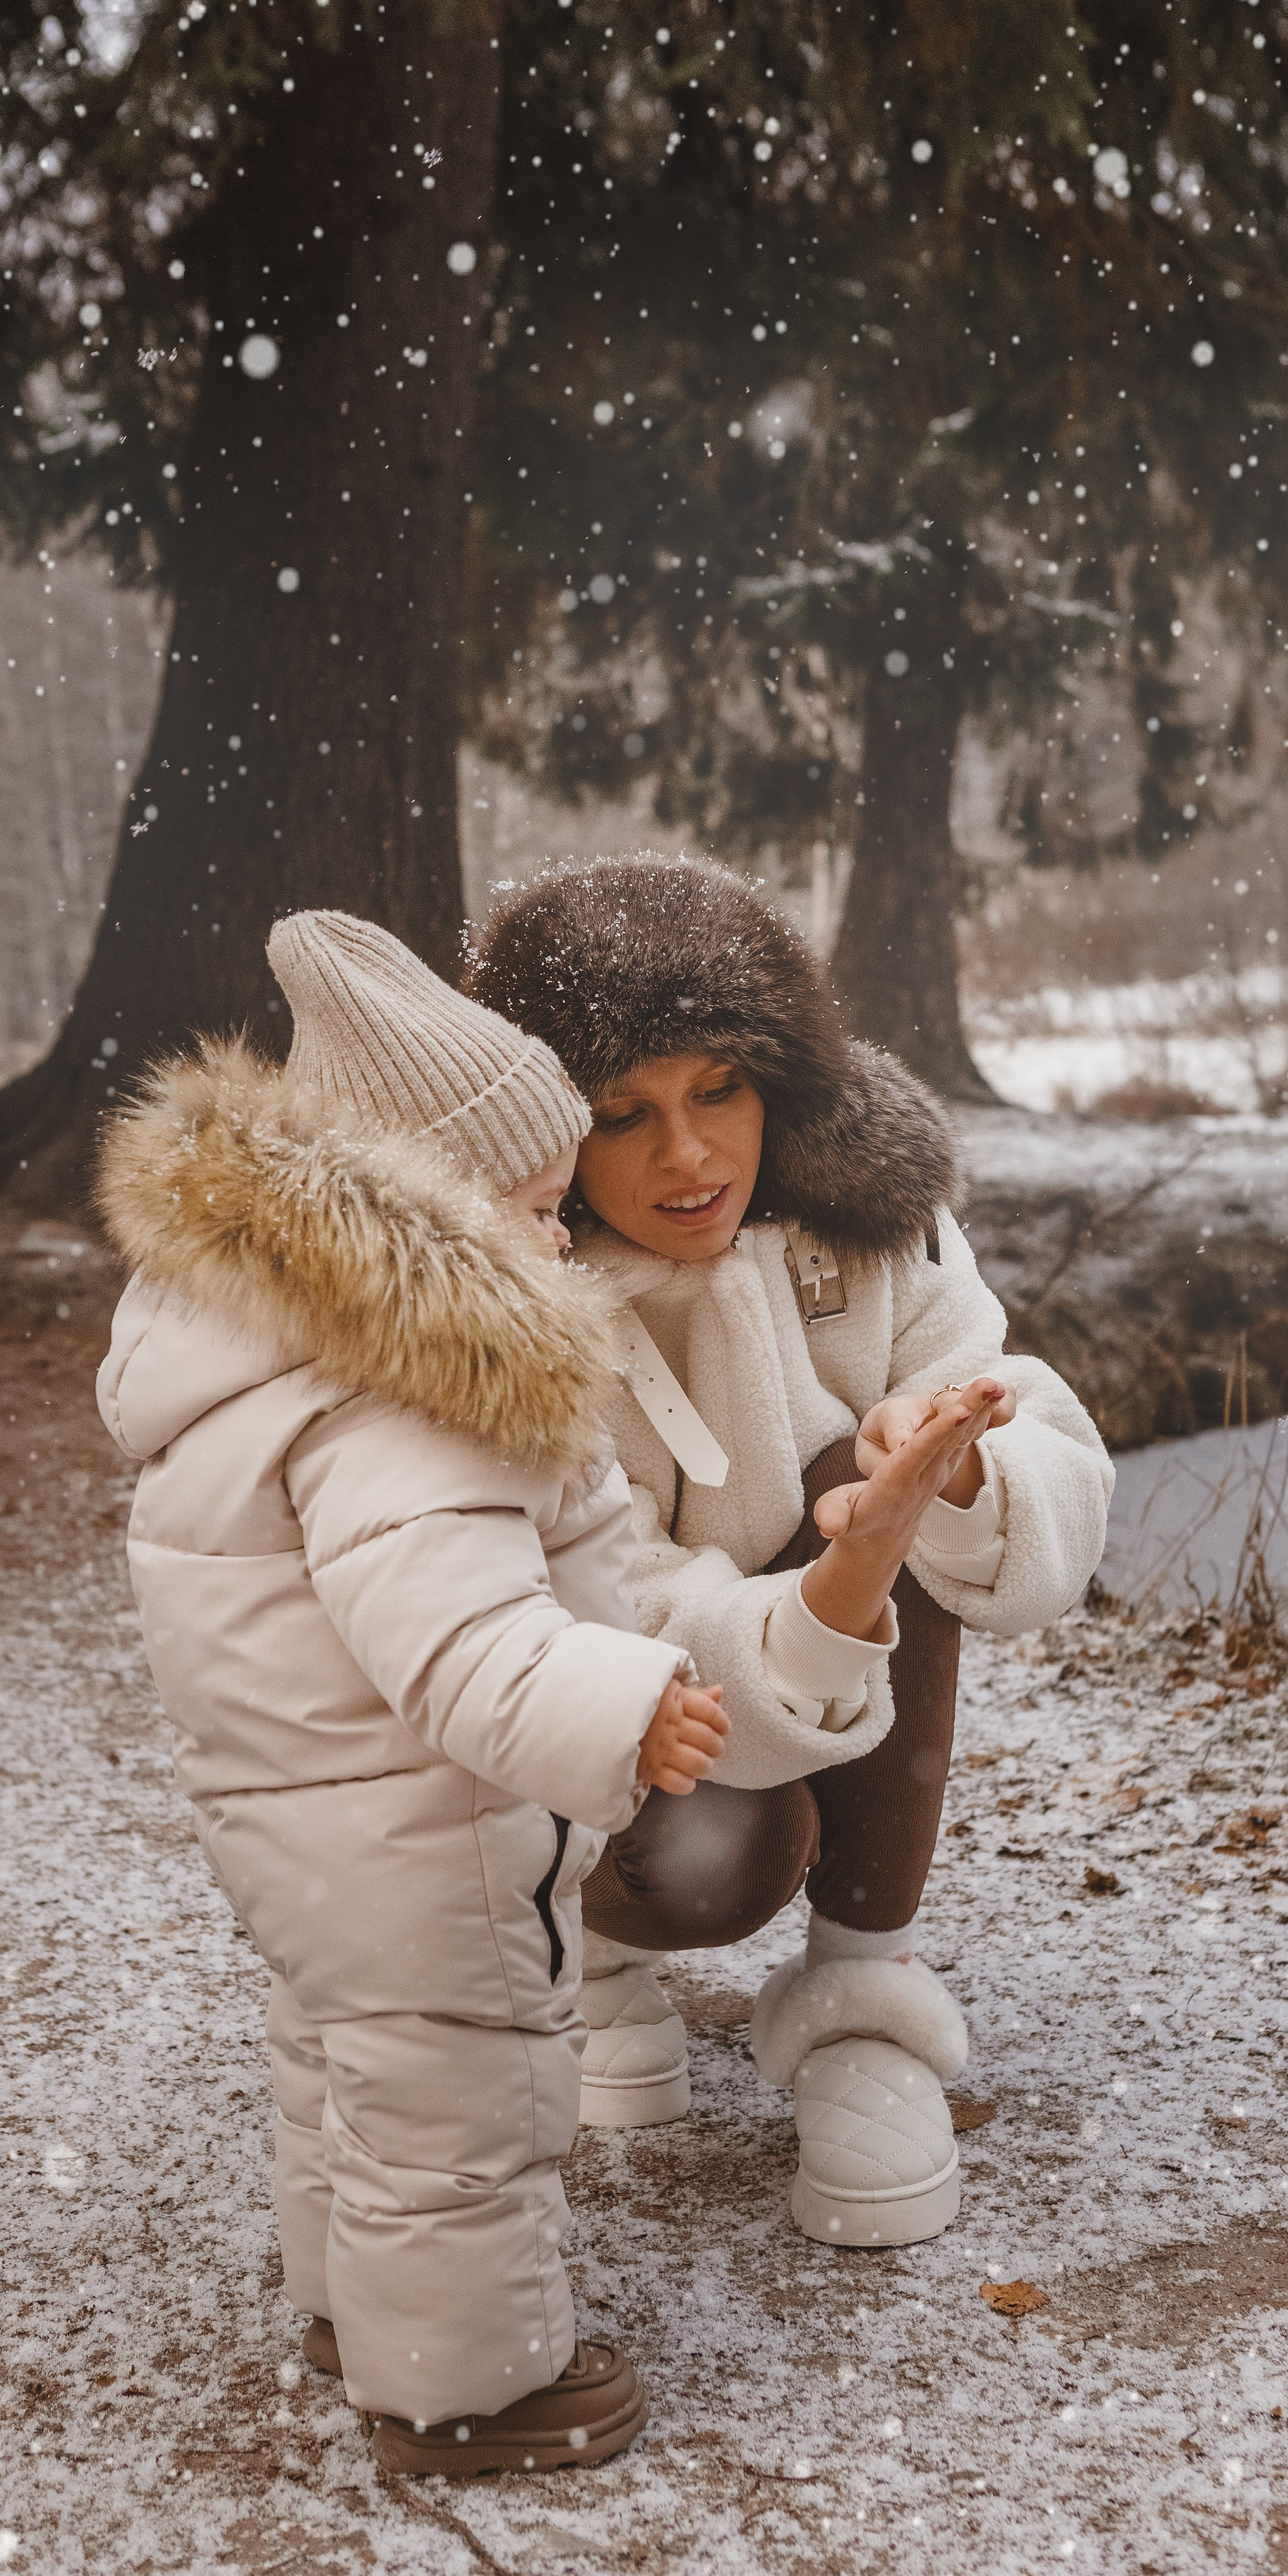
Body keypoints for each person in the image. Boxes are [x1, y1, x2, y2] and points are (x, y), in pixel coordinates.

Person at [94, 910, 728, 2476]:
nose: (556, 1237)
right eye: (526, 1206)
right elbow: (455, 1643)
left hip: (312, 1825)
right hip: (421, 1824)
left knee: (348, 2061)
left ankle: (345, 2304)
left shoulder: (266, 1347)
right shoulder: (404, 1399)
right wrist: (621, 1698)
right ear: (419, 1218)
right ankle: (472, 2385)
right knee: (461, 2104)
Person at [468, 855, 1115, 2248]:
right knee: (717, 1862)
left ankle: (856, 2004)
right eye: (620, 1115)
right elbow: (595, 1597)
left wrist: (952, 1473)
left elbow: (1037, 1440)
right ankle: (598, 1952)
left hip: (826, 1615)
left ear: (777, 1078)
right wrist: (818, 1598)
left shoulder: (867, 1228)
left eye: (719, 1091)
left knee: (889, 1475)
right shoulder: (510, 1311)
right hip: (613, 1717)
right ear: (549, 1134)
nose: (687, 1158)